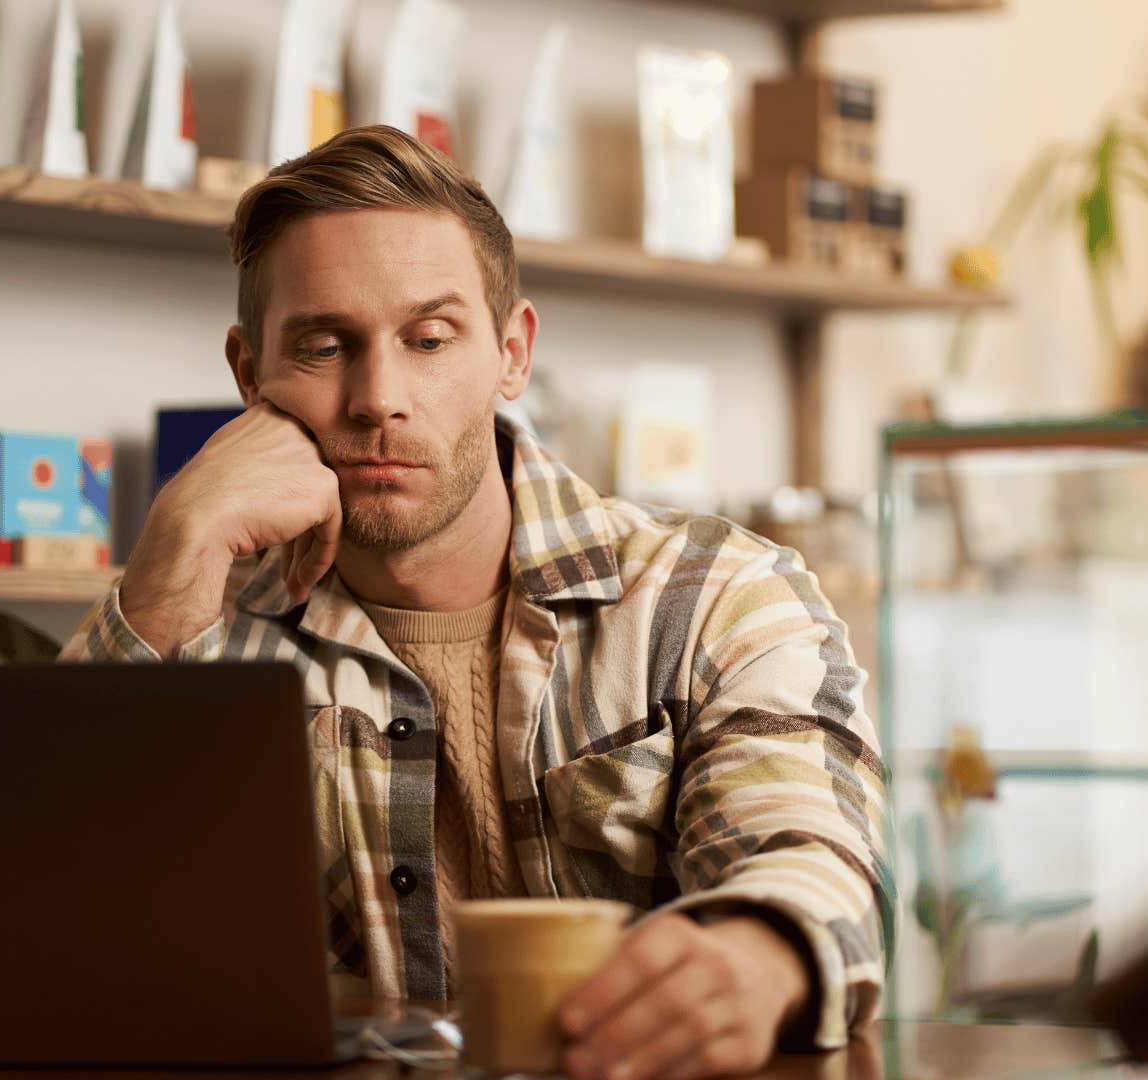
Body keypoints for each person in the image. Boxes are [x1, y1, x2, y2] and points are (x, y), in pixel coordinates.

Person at [62, 125, 890, 1080]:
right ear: (250, 375)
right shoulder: (193, 629)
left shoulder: (711, 598)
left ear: (511, 353)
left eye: (428, 339)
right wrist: (173, 551)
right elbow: (31, 918)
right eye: (326, 346)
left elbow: (813, 851)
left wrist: (756, 955)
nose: (379, 397)